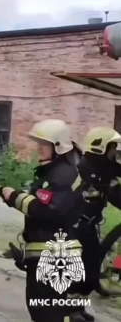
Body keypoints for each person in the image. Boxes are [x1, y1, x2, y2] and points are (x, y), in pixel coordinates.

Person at [0, 119, 85, 322]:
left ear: (57, 146)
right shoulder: (59, 172)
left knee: (47, 313)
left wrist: (13, 197)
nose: (39, 149)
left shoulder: (63, 175)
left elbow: (47, 210)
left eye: (44, 144)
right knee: (45, 311)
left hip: (54, 259)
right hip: (49, 255)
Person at [69, 127, 121, 321]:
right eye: (112, 147)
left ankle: (78, 307)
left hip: (88, 227)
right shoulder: (83, 170)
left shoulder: (102, 169)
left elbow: (117, 195)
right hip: (74, 228)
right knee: (80, 271)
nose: (115, 152)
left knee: (90, 272)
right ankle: (69, 310)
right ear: (101, 148)